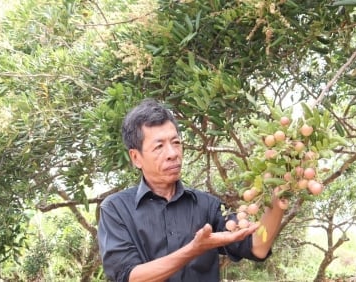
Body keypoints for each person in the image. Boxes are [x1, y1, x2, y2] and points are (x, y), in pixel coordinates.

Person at [97, 98, 286, 282]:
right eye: (159, 146)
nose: (172, 154)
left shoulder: (208, 205)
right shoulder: (116, 209)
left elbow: (258, 247)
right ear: (136, 157)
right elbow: (129, 276)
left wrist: (278, 196)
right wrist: (194, 249)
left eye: (176, 142)